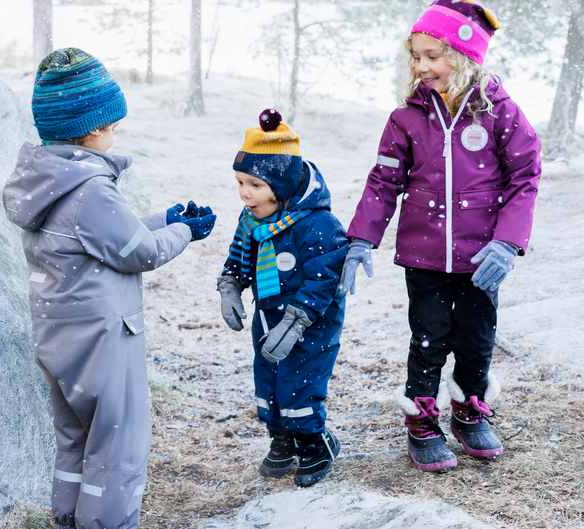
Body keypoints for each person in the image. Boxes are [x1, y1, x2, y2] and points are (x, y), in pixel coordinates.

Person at [3, 48, 216, 529]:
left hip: (59, 333)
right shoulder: (92, 189)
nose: (116, 132)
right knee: (116, 444)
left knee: (75, 438)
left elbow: (97, 233)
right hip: (103, 336)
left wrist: (162, 214)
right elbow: (137, 250)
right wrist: (185, 230)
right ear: (91, 127)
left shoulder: (51, 181)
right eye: (111, 124)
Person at [339, 0, 541, 473]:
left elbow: (525, 177)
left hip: (482, 257)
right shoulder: (406, 119)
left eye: (433, 55)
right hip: (424, 255)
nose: (422, 65)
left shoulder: (499, 113)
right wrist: (361, 239)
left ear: (465, 58)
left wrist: (507, 242)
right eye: (416, 55)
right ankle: (423, 420)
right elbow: (384, 181)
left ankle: (470, 410)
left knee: (476, 337)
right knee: (428, 336)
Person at [217, 109, 348, 487]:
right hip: (268, 316)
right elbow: (241, 255)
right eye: (240, 182)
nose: (245, 193)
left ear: (283, 185)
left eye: (255, 185)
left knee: (300, 381)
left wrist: (300, 317)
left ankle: (314, 443)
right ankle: (282, 439)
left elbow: (324, 276)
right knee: (269, 379)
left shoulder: (317, 224)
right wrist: (230, 283)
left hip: (310, 323)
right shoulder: (253, 222)